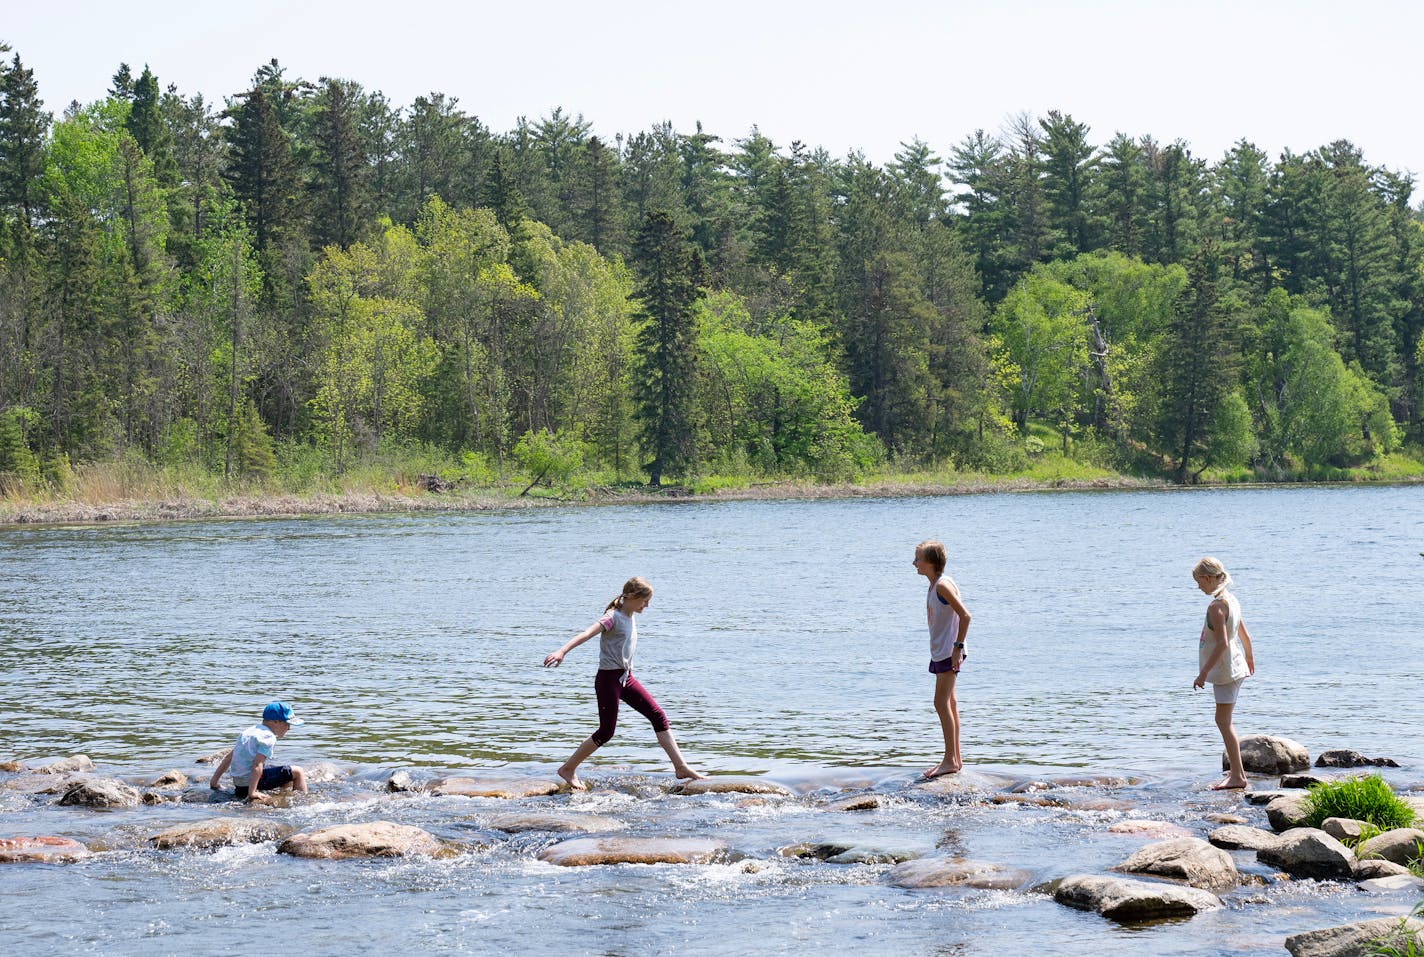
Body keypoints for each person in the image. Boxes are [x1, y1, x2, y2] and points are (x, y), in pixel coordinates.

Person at [543, 577, 706, 791]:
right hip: (608, 680)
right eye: (644, 601)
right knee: (606, 731)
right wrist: (562, 651)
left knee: (657, 715)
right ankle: (568, 769)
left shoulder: (629, 615)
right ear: (631, 597)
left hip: (626, 678)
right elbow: (586, 633)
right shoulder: (613, 617)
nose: (646, 605)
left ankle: (681, 767)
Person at [1191, 557, 1256, 790]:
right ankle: (1237, 771)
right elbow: (1243, 634)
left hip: (1225, 670)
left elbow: (1222, 645)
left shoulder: (1217, 607)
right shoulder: (1231, 600)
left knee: (1223, 721)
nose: (1198, 587)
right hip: (1236, 666)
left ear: (1208, 579)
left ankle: (1238, 775)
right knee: (1224, 720)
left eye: (1199, 582)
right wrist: (1249, 657)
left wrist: (1202, 673)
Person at [913, 540, 971, 778]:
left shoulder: (942, 586)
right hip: (943, 650)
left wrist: (957, 647)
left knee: (940, 703)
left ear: (930, 563)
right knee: (950, 703)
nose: (914, 563)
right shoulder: (935, 584)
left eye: (918, 559)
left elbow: (966, 616)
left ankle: (949, 760)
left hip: (949, 650)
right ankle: (955, 758)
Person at [208, 701, 310, 804]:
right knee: (298, 771)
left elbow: (229, 758)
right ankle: (303, 803)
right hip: (248, 785)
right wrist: (252, 793)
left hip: (239, 784)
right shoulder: (268, 737)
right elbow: (257, 765)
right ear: (276, 721)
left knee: (286, 774)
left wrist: (214, 782)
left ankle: (283, 797)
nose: (289, 728)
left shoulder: (248, 732)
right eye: (287, 724)